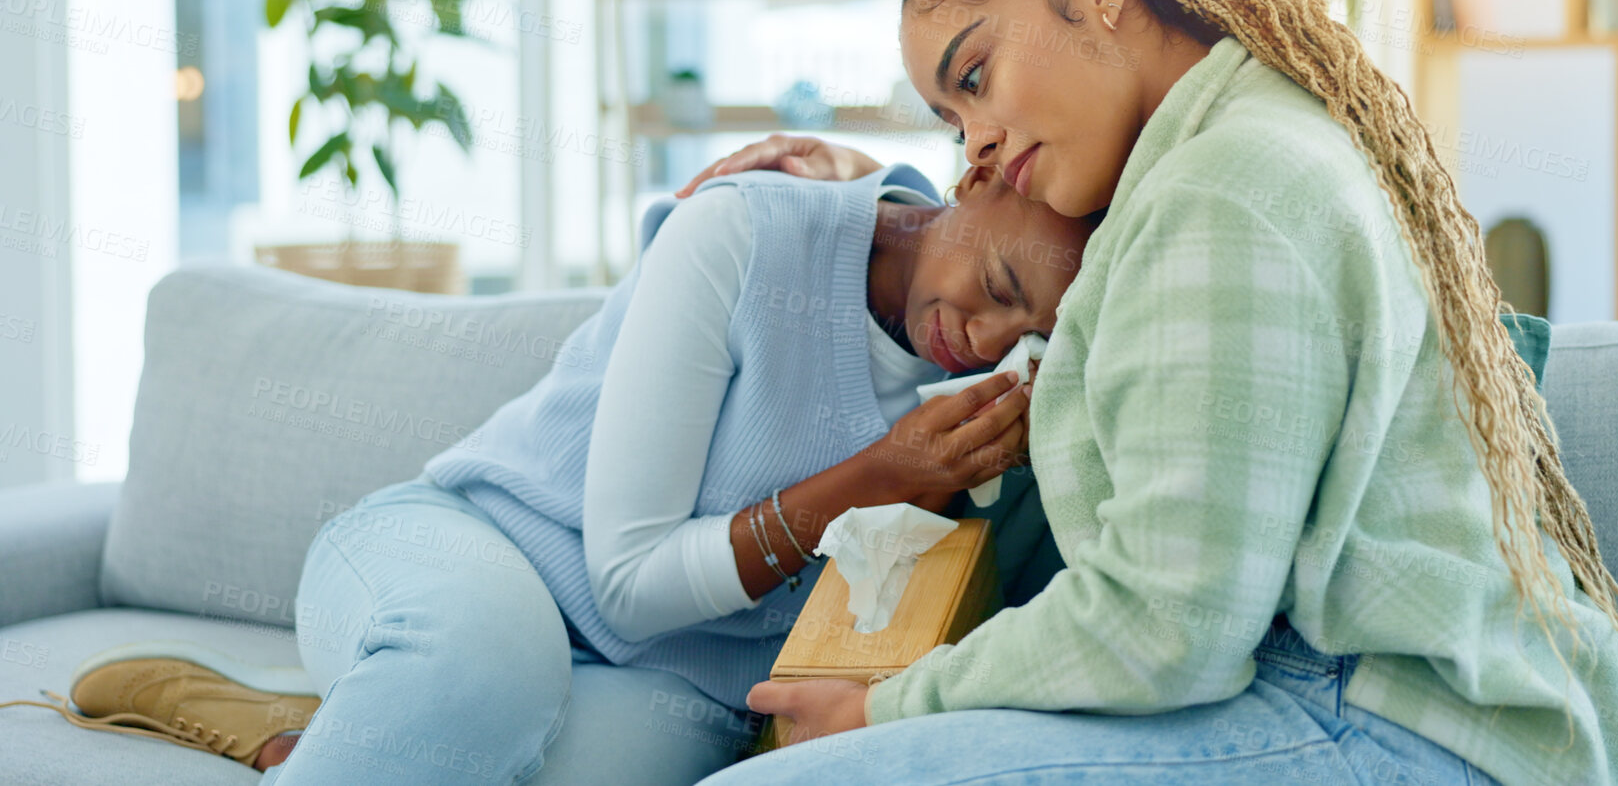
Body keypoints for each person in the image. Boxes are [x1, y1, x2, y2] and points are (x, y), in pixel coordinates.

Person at [688, 0, 1618, 785]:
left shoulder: (1222, 192)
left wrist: (886, 709)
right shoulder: (1212, 161)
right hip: (1367, 704)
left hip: (1405, 727)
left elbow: (1164, 624)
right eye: (951, 120)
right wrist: (854, 200)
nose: (974, 140)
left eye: (975, 75)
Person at [11, 160, 1093, 784]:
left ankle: (306, 737)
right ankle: (406, 695)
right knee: (481, 673)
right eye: (998, 279)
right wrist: (869, 480)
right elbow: (624, 578)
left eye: (1027, 323)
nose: (985, 331)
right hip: (479, 545)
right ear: (979, 166)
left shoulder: (990, 413)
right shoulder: (752, 230)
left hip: (676, 677)